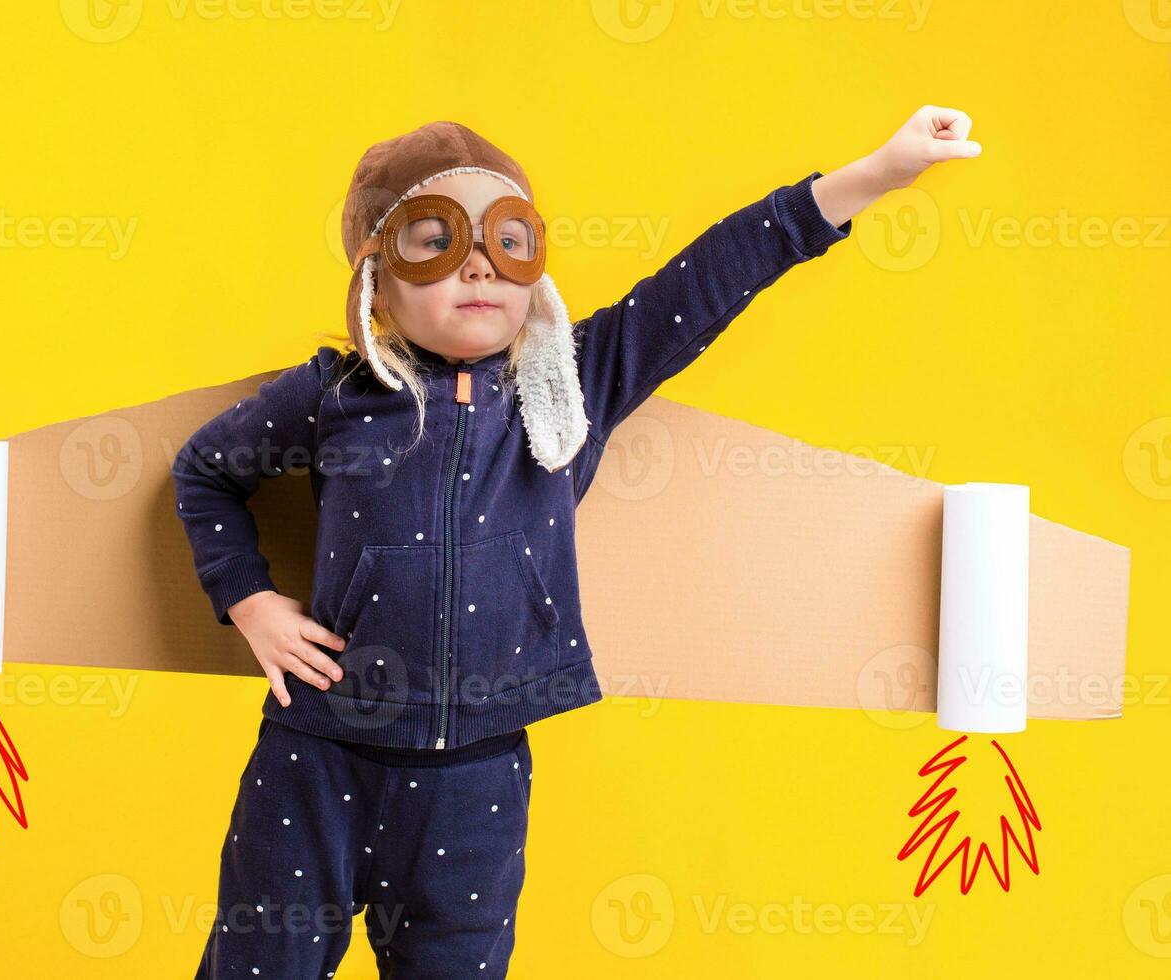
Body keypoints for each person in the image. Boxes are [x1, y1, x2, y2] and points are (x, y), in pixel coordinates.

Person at [173, 111, 979, 977]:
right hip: (315, 758)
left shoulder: (567, 391)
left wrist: (878, 173)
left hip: (474, 782)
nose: (478, 264)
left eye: (506, 241)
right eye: (436, 241)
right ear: (376, 278)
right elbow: (205, 470)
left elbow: (708, 277)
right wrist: (249, 601)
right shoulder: (331, 394)